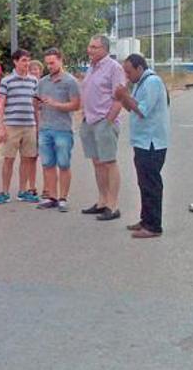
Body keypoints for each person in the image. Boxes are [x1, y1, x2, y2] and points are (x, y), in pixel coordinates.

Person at [114, 53, 171, 239]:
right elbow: (132, 108)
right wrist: (122, 99)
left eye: (129, 71)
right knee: (143, 183)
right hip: (142, 142)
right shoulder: (140, 83)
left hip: (152, 142)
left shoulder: (152, 82)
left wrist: (125, 96)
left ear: (140, 68)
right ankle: (145, 219)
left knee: (151, 184)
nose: (127, 75)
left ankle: (154, 226)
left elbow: (143, 110)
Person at [79, 34, 126, 221]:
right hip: (89, 121)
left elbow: (120, 97)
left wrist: (109, 121)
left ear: (105, 49)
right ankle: (102, 201)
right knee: (97, 162)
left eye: (94, 47)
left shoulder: (114, 68)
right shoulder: (91, 67)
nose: (90, 50)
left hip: (104, 122)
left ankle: (113, 206)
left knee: (109, 162)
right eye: (89, 46)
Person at [35, 48, 81, 213]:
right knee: (47, 164)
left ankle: (63, 198)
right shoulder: (42, 82)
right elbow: (37, 102)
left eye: (52, 63)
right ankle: (51, 196)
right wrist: (39, 110)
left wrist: (56, 104)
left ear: (61, 60)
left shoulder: (70, 81)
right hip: (45, 128)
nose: (49, 66)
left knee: (63, 164)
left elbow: (76, 105)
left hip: (63, 129)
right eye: (47, 63)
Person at [0, 49, 40, 205]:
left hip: (29, 125)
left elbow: (36, 105)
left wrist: (38, 126)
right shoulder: (7, 81)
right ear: (15, 61)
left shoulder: (34, 81)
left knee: (27, 159)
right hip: (12, 125)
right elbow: (1, 104)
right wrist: (1, 127)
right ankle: (5, 192)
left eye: (28, 60)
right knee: (8, 159)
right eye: (23, 60)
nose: (26, 64)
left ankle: (23, 190)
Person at [26, 59, 45, 196]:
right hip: (30, 125)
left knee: (47, 159)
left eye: (36, 69)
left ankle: (48, 188)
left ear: (41, 71)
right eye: (31, 70)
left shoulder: (46, 86)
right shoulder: (26, 87)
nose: (33, 72)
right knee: (31, 157)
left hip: (46, 125)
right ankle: (31, 187)